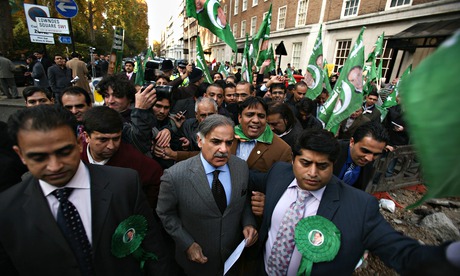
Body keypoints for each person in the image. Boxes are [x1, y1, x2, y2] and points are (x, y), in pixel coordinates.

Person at [255, 129, 459, 275]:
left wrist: (449, 257)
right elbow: (246, 178)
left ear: (333, 164)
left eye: (322, 166)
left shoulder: (359, 207)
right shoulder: (278, 174)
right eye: (305, 163)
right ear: (293, 159)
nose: (312, 173)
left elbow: (402, 252)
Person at [1, 105, 171, 275]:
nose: (54, 166)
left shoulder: (124, 184)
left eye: (64, 152)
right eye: (39, 157)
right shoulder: (6, 209)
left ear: (79, 143)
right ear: (21, 154)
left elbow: (152, 246)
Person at [156, 114, 258, 276]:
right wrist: (187, 243)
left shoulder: (241, 167)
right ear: (199, 141)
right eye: (216, 142)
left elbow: (242, 201)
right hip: (194, 266)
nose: (224, 149)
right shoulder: (175, 175)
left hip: (233, 261)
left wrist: (249, 223)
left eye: (229, 143)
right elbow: (165, 213)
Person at [80, 106, 163, 209]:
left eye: (116, 139)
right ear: (86, 137)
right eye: (103, 140)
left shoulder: (133, 160)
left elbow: (155, 177)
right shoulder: (75, 158)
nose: (111, 146)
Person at [333, 121, 387, 190]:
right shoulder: (330, 152)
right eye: (365, 151)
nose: (369, 158)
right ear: (352, 142)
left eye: (376, 154)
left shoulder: (369, 166)